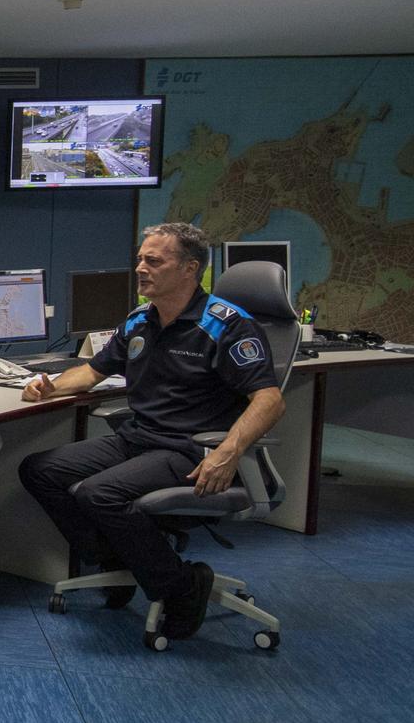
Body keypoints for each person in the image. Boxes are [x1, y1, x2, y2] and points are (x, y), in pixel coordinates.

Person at [18, 221, 284, 639]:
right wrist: (47, 387)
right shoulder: (140, 320)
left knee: (98, 493)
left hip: (191, 449)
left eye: (154, 261)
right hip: (139, 439)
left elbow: (269, 399)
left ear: (188, 268)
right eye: (140, 258)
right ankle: (122, 561)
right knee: (40, 469)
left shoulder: (227, 325)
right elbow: (92, 371)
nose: (141, 267)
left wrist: (227, 452)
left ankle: (181, 587)